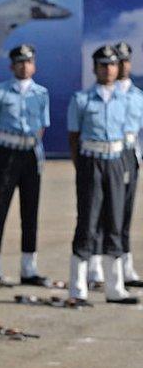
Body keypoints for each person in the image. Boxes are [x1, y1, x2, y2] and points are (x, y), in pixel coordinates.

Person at [66, 45, 138, 305]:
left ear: (118, 68)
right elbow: (73, 138)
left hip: (116, 161)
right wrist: (82, 167)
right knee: (87, 221)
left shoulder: (127, 100)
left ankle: (115, 287)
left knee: (116, 221)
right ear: (95, 69)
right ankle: (78, 288)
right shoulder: (82, 99)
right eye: (103, 65)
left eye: (112, 65)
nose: (108, 70)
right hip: (91, 161)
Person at [0, 44, 50, 286]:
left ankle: (29, 268)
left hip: (31, 153)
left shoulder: (41, 93)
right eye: (20, 62)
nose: (24, 66)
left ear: (34, 65)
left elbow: (42, 125)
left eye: (29, 61)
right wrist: (0, 150)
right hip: (7, 152)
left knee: (30, 211)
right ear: (12, 66)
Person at [113, 42, 143, 287]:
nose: (122, 65)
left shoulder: (137, 95)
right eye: (117, 61)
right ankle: (96, 268)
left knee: (125, 214)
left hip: (130, 155)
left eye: (125, 60)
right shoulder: (106, 94)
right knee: (103, 212)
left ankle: (126, 266)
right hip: (108, 154)